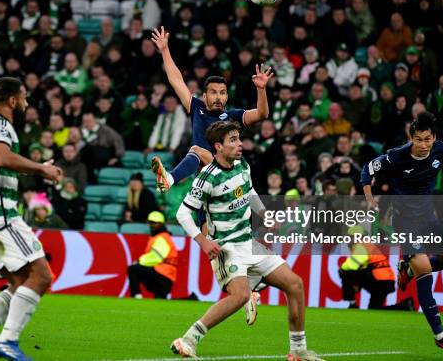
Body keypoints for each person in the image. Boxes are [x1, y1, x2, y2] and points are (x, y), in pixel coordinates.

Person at [172, 121, 324, 361]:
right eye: (233, 140)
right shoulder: (207, 178)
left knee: (295, 284)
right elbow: (182, 213)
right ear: (218, 146)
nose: (240, 144)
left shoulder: (242, 164)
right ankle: (188, 340)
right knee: (240, 295)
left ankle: (298, 351)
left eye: (239, 138)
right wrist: (202, 241)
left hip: (249, 242)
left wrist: (264, 214)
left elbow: (249, 191)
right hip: (226, 247)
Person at [0, 77, 63, 361]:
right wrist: (41, 169)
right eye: (24, 96)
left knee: (21, 281)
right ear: (13, 101)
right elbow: (2, 157)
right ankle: (7, 340)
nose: (27, 102)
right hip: (1, 218)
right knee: (41, 276)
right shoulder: (0, 125)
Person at [360, 112, 443, 354]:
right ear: (411, 138)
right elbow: (366, 170)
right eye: (419, 139)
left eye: (428, 139)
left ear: (434, 138)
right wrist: (370, 199)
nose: (424, 145)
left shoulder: (440, 150)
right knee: (425, 270)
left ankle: (407, 269)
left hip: (429, 219)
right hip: (404, 222)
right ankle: (441, 335)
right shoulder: (396, 157)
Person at [148, 26, 273, 193]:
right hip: (206, 181)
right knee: (202, 219)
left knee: (196, 150)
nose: (218, 97)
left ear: (227, 97)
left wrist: (261, 89)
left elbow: (261, 113)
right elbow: (176, 80)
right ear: (204, 96)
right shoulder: (196, 107)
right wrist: (164, 50)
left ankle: (169, 179)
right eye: (213, 92)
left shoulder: (232, 116)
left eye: (222, 93)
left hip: (227, 174)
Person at [128, 211, 178, 299]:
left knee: (133, 269)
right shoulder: (159, 237)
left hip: (163, 276)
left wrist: (139, 261)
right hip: (163, 276)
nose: (151, 225)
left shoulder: (162, 238)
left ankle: (136, 296)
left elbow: (157, 257)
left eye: (154, 223)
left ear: (161, 224)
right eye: (150, 222)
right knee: (159, 303)